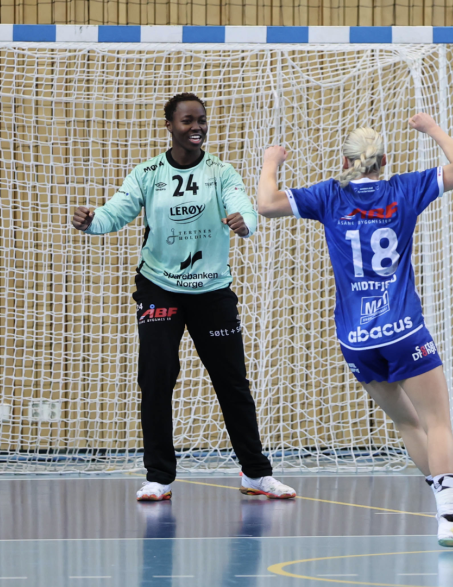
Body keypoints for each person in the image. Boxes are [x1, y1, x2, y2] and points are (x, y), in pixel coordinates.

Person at [256, 113, 453, 549]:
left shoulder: (329, 195)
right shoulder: (403, 189)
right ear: (384, 160)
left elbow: (266, 204)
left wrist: (272, 160)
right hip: (403, 330)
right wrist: (433, 130)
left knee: (407, 422)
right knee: (438, 422)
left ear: (344, 161)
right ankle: (449, 516)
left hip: (356, 340)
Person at [72, 92, 296, 502]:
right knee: (156, 379)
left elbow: (245, 209)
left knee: (232, 382)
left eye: (201, 120)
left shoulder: (221, 172)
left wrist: (245, 223)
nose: (196, 127)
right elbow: (114, 213)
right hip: (159, 287)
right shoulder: (147, 173)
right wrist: (91, 221)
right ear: (170, 126)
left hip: (211, 290)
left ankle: (256, 473)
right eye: (187, 121)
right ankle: (159, 477)